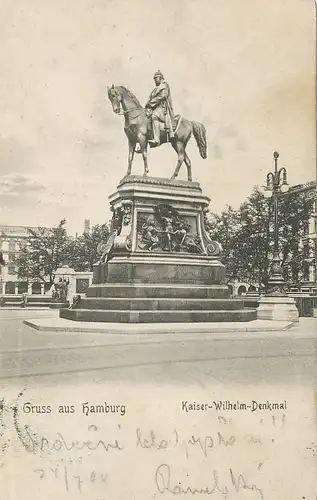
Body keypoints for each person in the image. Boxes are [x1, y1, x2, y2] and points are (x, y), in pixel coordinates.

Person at [145, 70, 175, 146]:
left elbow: (162, 96)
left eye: (156, 78)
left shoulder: (164, 86)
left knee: (154, 116)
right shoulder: (156, 89)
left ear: (160, 78)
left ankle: (157, 139)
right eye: (154, 78)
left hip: (163, 108)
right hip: (155, 107)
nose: (154, 80)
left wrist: (150, 103)